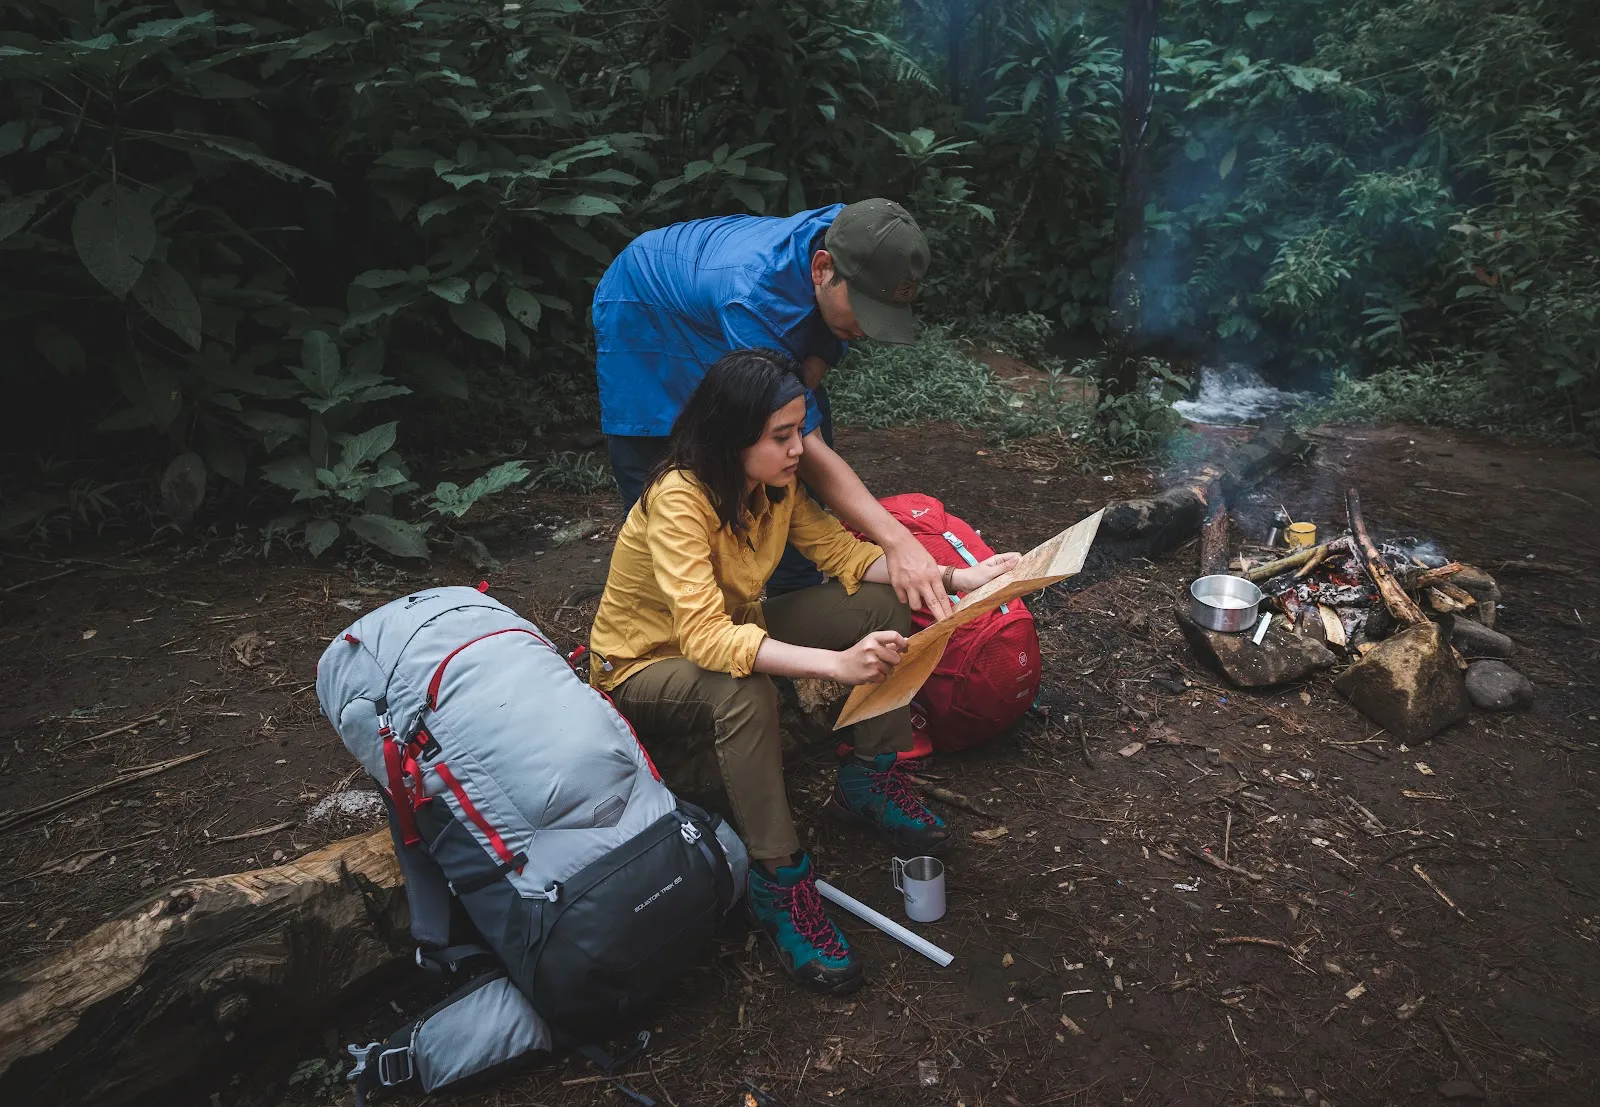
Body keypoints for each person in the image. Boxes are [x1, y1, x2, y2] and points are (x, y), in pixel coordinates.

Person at [588, 348, 1019, 994]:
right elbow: (704, 638)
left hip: (735, 628)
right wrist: (836, 665)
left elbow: (843, 552)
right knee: (742, 689)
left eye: (798, 431)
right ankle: (776, 878)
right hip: (645, 664)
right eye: (782, 436)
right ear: (734, 436)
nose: (799, 450)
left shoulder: (771, 488)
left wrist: (961, 577)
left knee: (878, 601)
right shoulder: (679, 498)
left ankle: (869, 778)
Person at [592, 198, 956, 619]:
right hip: (642, 305)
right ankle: (675, 633)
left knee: (789, 446)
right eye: (863, 311)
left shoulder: (856, 234)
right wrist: (897, 541)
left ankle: (790, 614)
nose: (863, 330)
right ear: (821, 269)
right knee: (666, 471)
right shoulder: (753, 296)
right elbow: (807, 443)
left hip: (716, 292)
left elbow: (807, 393)